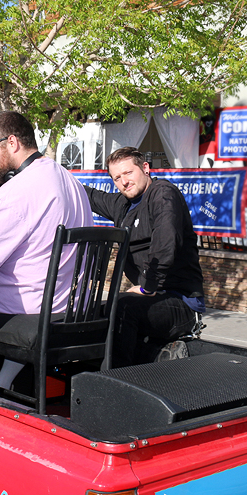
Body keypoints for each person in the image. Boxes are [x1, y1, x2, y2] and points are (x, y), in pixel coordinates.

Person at [0, 111, 93, 388]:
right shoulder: (70, 180)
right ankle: (4, 381)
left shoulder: (21, 188)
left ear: (11, 142)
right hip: (71, 304)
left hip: (34, 305)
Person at [84, 147, 205, 366]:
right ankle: (149, 358)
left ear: (145, 168)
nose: (124, 182)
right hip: (151, 300)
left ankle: (114, 379)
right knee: (96, 311)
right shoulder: (122, 205)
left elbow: (165, 243)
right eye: (117, 178)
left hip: (180, 301)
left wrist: (147, 286)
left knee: (122, 309)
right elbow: (91, 196)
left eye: (128, 173)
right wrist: (56, 176)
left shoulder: (163, 194)